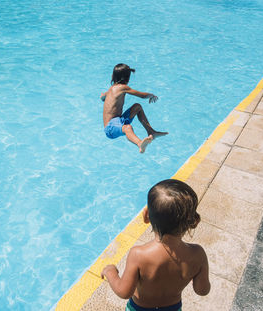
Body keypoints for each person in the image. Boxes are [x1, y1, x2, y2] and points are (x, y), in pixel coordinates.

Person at [101, 179, 210, 311]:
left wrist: (110, 272)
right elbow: (202, 290)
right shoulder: (197, 254)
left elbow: (124, 292)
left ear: (146, 216)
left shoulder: (139, 255)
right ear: (192, 220)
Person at [101, 63, 168, 153]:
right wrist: (151, 95)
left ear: (113, 76)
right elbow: (141, 96)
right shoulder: (122, 87)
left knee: (137, 107)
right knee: (127, 128)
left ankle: (151, 132)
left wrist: (103, 97)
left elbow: (102, 97)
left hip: (118, 121)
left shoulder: (110, 89)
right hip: (110, 127)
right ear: (127, 78)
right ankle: (140, 144)